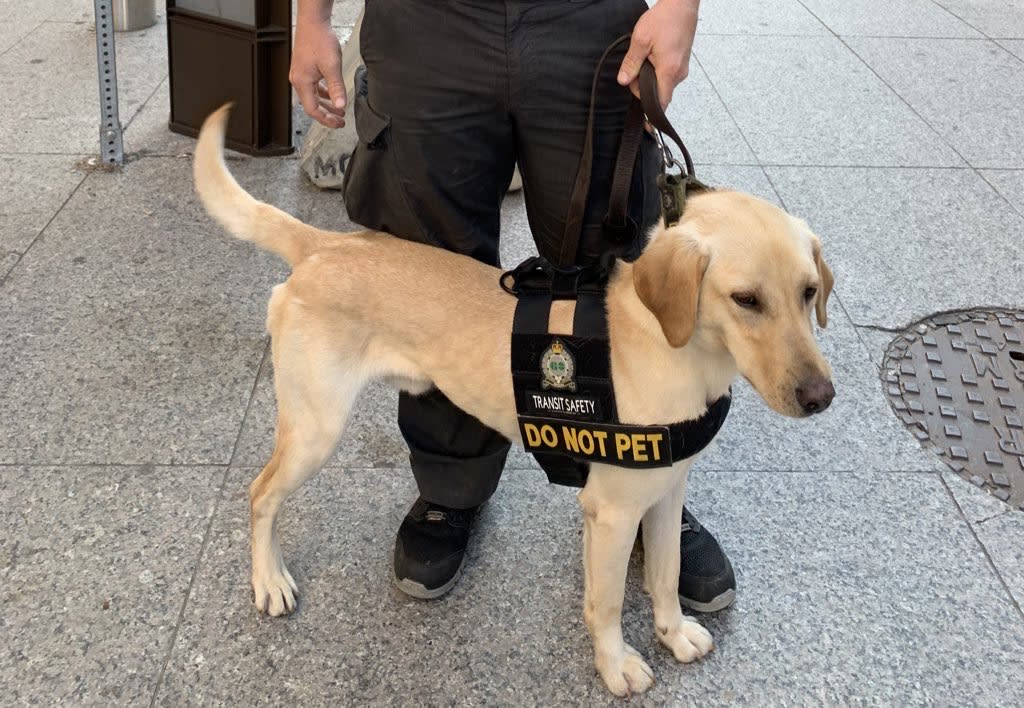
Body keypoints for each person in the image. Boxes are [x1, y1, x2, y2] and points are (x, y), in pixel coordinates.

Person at [290, 0, 736, 612]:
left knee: (612, 271)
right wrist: (310, 18)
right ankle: (452, 482)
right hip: (427, 24)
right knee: (430, 278)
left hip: (589, 19)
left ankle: (642, 481)